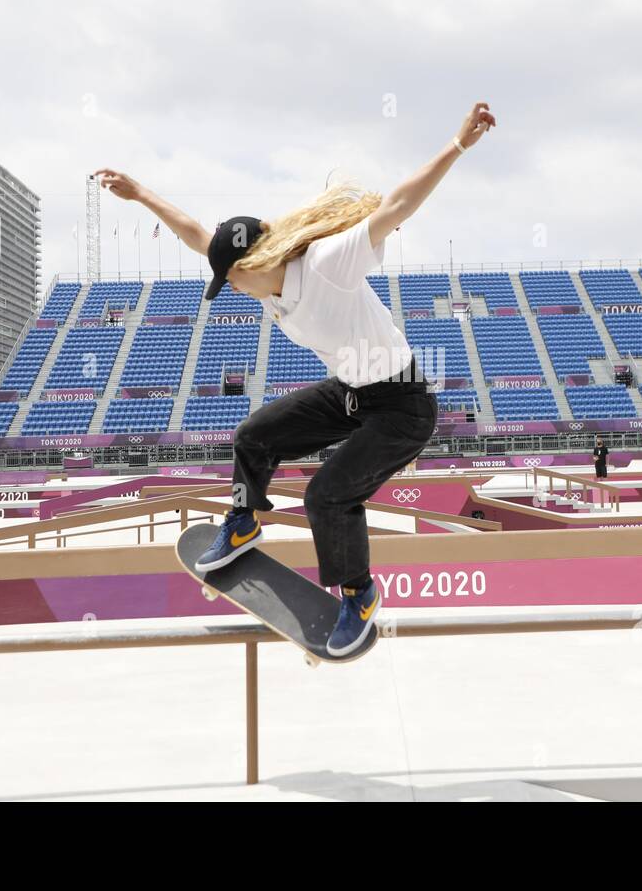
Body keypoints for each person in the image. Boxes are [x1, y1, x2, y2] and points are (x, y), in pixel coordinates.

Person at [97, 101, 496, 657]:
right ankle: (243, 522)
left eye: (228, 281)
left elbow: (398, 204)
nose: (230, 289)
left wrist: (457, 147)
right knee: (253, 435)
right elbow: (195, 234)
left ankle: (359, 596)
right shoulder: (261, 278)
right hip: (350, 392)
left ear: (248, 268)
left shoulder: (330, 262)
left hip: (402, 406)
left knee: (327, 496)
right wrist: (140, 195)